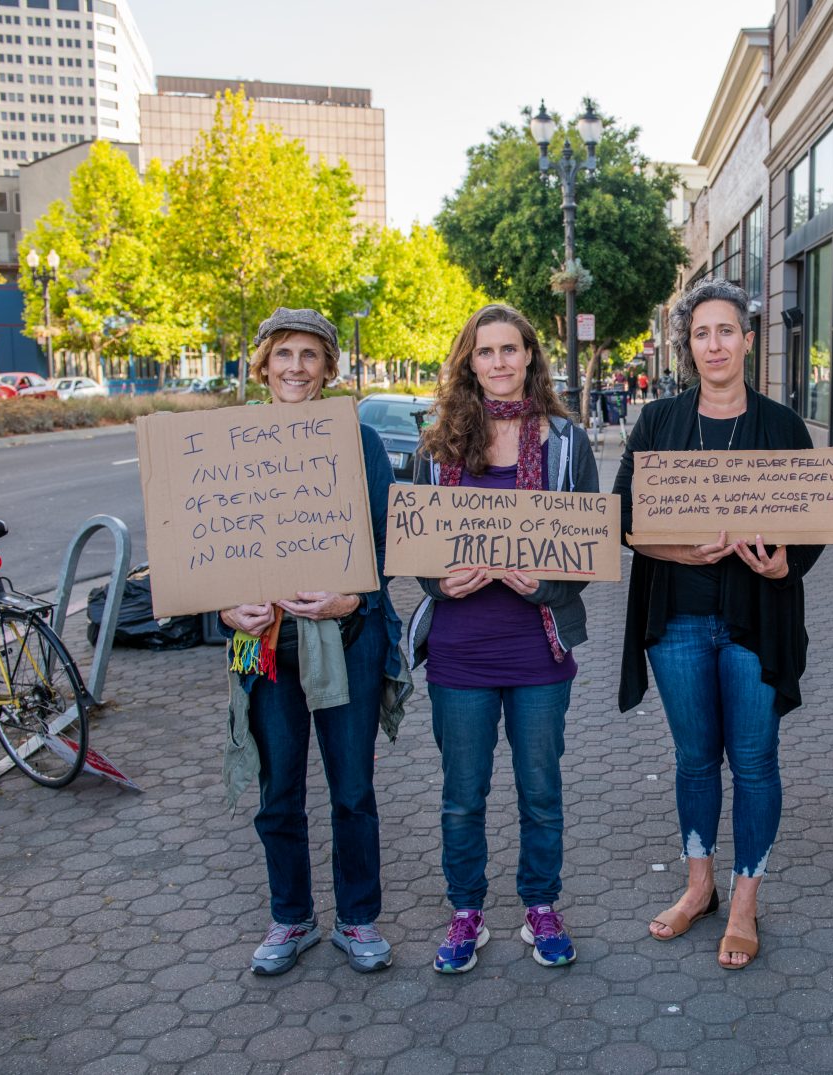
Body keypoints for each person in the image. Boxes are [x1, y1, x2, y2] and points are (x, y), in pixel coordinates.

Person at [615, 278, 823, 970]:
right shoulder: (658, 424)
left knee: (756, 761)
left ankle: (744, 901)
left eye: (726, 331)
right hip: (677, 617)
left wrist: (779, 567)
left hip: (754, 622)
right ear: (688, 345)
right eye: (701, 333)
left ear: (747, 339)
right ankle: (698, 885)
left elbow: (815, 523)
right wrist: (679, 549)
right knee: (696, 759)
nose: (714, 345)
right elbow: (623, 518)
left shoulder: (784, 426)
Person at [407, 303, 598, 974]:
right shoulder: (436, 447)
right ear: (469, 362)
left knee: (540, 788)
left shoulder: (567, 443)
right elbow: (415, 547)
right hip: (460, 649)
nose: (498, 362)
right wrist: (439, 583)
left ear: (529, 357)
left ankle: (541, 906)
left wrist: (541, 582)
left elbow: (588, 552)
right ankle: (467, 912)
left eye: (509, 350)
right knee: (463, 793)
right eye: (484, 352)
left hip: (538, 648)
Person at [221, 308, 410, 976]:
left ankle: (357, 919)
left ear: (329, 367)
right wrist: (225, 606)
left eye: (309, 355)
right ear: (263, 363)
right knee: (279, 793)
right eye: (283, 354)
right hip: (269, 646)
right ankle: (291, 915)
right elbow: (206, 544)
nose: (295, 367)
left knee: (352, 788)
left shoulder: (358, 443)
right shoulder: (230, 442)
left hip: (347, 641)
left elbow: (389, 541)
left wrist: (350, 598)